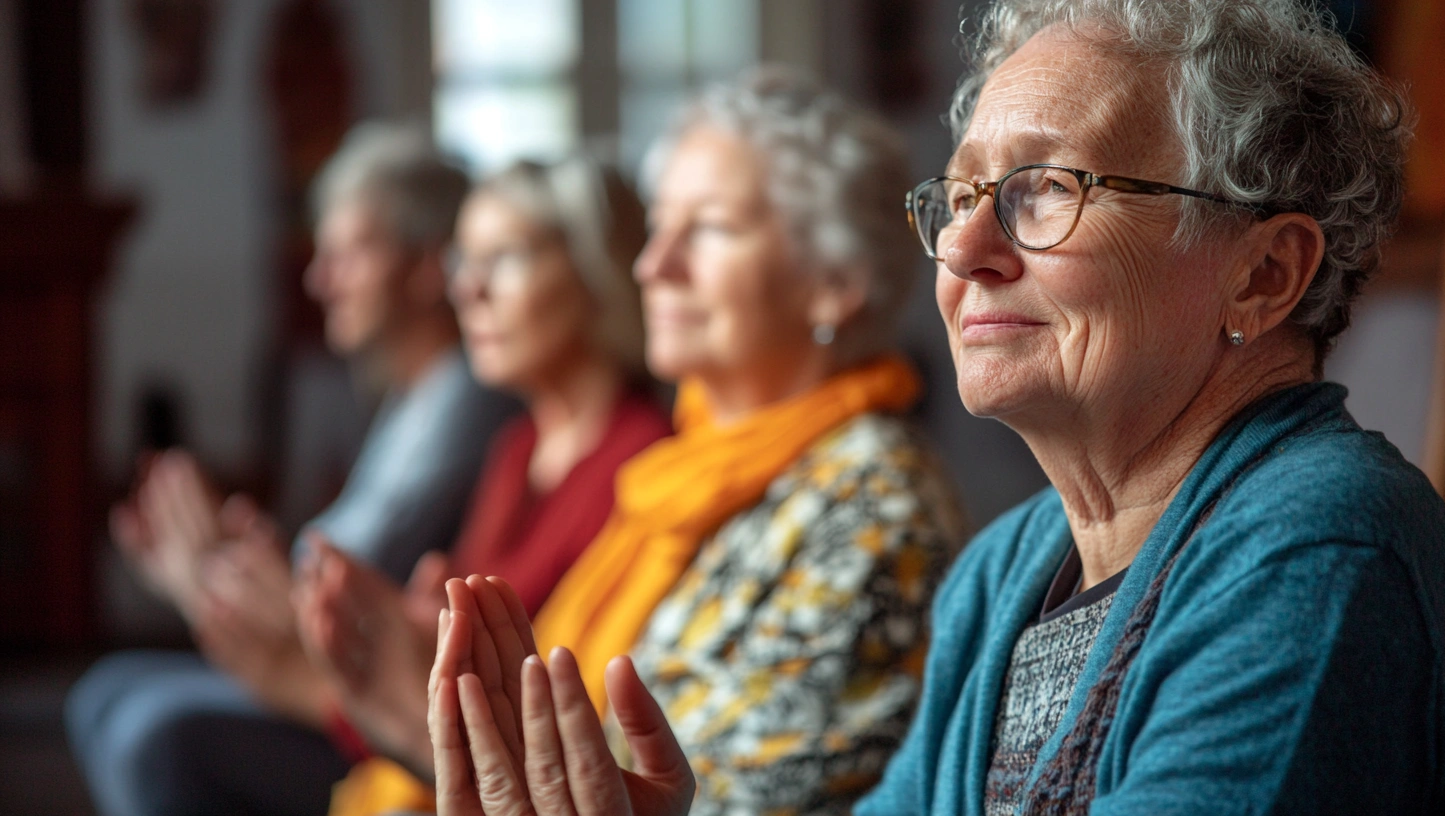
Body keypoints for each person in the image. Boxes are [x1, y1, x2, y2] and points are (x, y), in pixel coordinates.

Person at [427, 2, 1445, 815]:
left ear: (1263, 274)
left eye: (1045, 188)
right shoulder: (1004, 571)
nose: (963, 249)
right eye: (960, 196)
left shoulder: (1315, 546)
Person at [428, 67, 968, 816]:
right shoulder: (677, 476)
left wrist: (434, 721)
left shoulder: (873, 510)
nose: (653, 267)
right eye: (657, 227)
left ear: (835, 281)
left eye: (709, 229)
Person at [66, 123, 515, 816]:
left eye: (350, 253)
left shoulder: (467, 397)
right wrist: (214, 571)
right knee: (103, 692)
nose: (319, 278)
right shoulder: (410, 392)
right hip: (323, 676)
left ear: (429, 268)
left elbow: (336, 577)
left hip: (364, 707)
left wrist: (213, 570)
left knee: (149, 733)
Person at [287, 157, 673, 812]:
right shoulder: (517, 449)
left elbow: (545, 695)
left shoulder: (639, 458)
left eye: (505, 259)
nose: (469, 290)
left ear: (593, 274)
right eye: (466, 262)